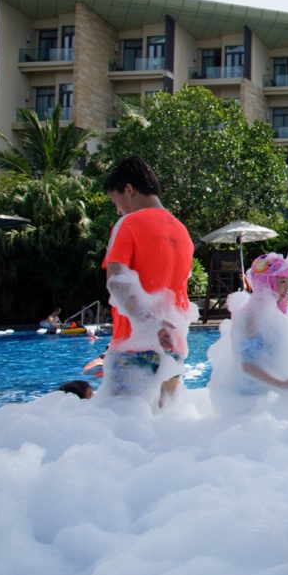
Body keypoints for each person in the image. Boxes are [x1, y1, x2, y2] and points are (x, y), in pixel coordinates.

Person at [100, 155, 195, 407]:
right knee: (164, 430)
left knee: (122, 434)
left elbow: (117, 280)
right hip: (173, 348)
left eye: (115, 200)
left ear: (128, 189)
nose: (117, 209)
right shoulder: (182, 231)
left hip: (134, 345)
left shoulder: (128, 223)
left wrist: (149, 324)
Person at [233, 253, 288, 394]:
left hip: (270, 391)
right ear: (266, 283)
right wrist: (280, 384)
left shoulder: (274, 314)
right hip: (254, 396)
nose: (287, 288)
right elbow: (247, 364)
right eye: (282, 282)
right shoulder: (252, 317)